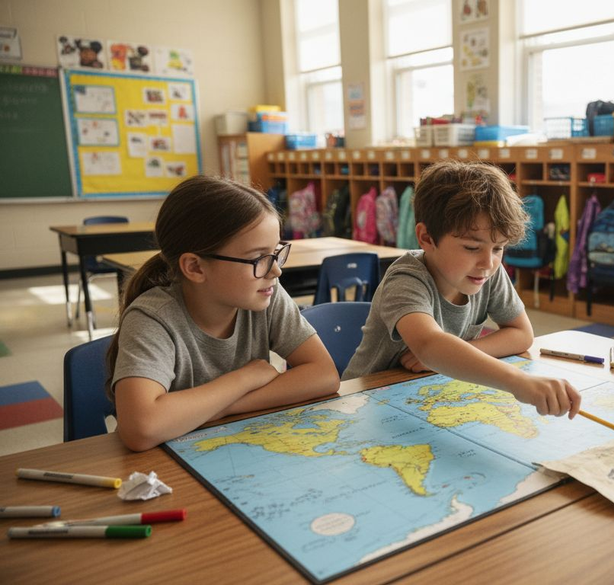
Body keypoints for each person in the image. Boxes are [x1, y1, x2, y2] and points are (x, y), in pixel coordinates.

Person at [107, 175, 340, 451]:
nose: (276, 270)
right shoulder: (152, 318)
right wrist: (245, 378)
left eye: (276, 253)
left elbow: (324, 375)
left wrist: (221, 407)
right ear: (194, 267)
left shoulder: (265, 294)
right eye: (258, 258)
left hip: (237, 448)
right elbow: (141, 428)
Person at [343, 160, 580, 419]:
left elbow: (521, 334)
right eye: (471, 248)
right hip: (366, 405)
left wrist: (447, 357)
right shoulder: (405, 279)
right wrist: (518, 381)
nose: (488, 263)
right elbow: (430, 344)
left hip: (425, 395)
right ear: (426, 238)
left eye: (498, 248)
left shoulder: (487, 272)